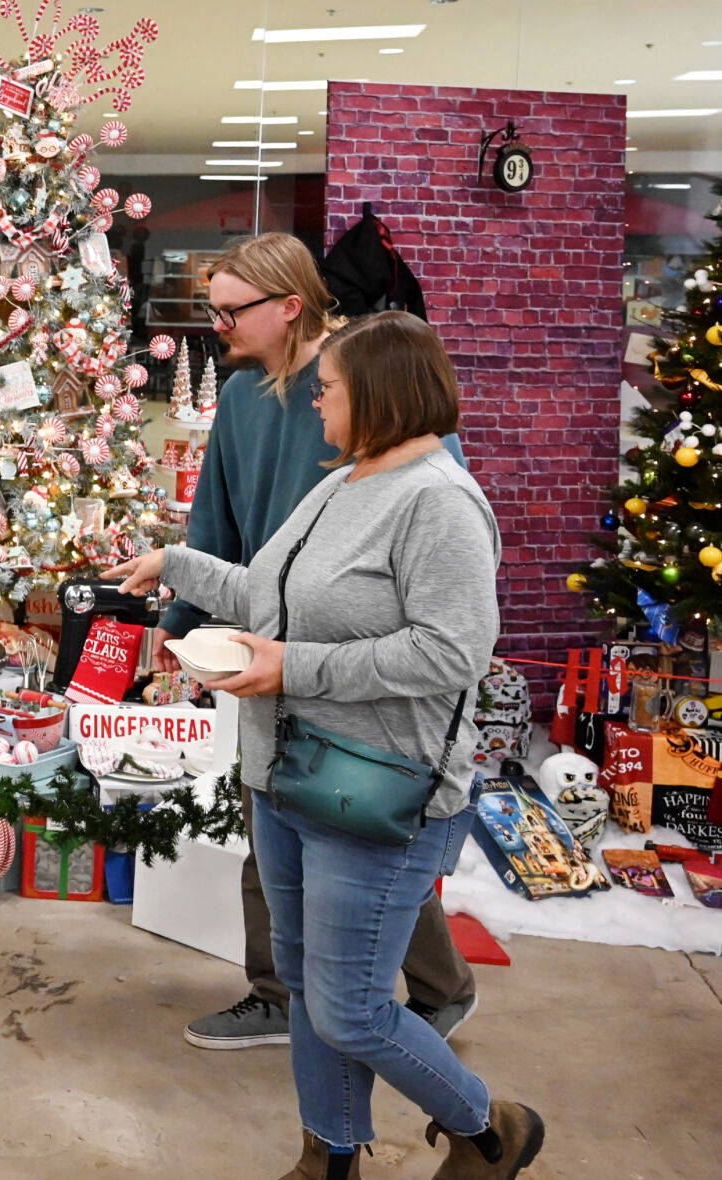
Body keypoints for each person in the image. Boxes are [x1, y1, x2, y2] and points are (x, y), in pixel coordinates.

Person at [108, 311, 542, 1180]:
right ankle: (329, 1154)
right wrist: (179, 564)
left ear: (379, 394)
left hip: (376, 792)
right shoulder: (344, 481)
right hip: (286, 777)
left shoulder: (440, 502)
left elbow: (453, 652)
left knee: (349, 1011)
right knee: (310, 990)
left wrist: (292, 669)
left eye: (329, 389)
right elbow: (270, 593)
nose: (316, 404)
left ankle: (490, 1128)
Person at [152, 233, 477, 1052]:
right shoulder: (239, 396)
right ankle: (286, 995)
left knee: (361, 818)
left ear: (290, 306)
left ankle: (421, 992)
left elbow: (431, 494)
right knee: (286, 818)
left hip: (358, 656)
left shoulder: (370, 382)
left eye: (231, 310)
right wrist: (185, 629)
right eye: (213, 310)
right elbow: (216, 520)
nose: (216, 324)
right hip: (265, 646)